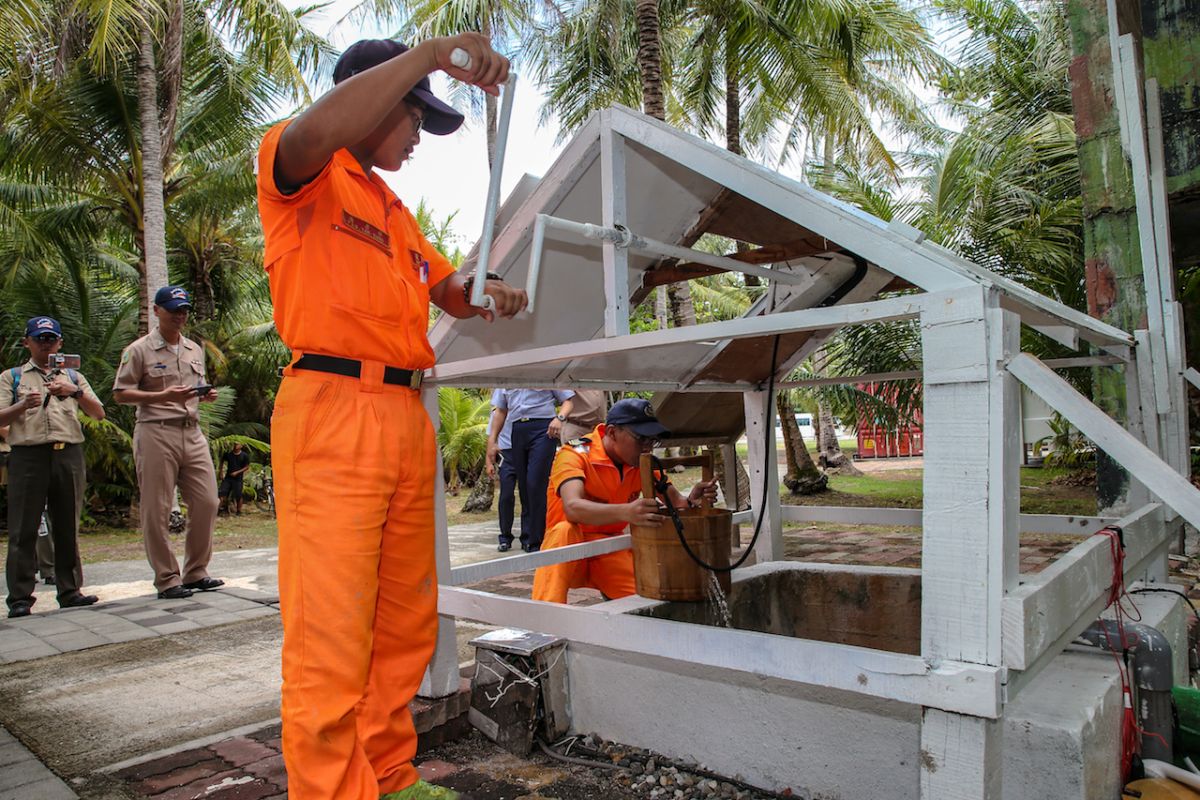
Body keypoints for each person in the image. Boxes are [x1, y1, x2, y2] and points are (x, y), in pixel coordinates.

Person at [255, 35, 525, 800]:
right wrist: (435, 53)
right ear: (370, 96)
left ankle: (389, 775)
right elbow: (313, 134)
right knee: (330, 635)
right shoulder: (300, 168)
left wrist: (491, 290)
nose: (416, 136)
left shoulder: (395, 212)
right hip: (332, 410)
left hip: (405, 414)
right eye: (413, 116)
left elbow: (453, 289)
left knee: (404, 623)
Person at [532, 398, 717, 604]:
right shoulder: (574, 454)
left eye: (652, 440)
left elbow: (677, 503)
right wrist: (627, 512)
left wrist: (692, 501)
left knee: (649, 597)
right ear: (612, 433)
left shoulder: (643, 463)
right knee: (564, 530)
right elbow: (573, 508)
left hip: (608, 549)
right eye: (641, 439)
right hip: (569, 552)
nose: (647, 447)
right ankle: (543, 623)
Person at [113, 286, 225, 601]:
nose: (180, 315)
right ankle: (166, 578)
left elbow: (196, 386)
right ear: (156, 311)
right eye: (173, 309)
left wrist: (206, 393)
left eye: (184, 309)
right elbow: (121, 393)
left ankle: (196, 571)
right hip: (155, 431)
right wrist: (160, 396)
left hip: (191, 430)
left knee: (207, 501)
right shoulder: (139, 350)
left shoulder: (193, 349)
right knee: (157, 508)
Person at [0, 316, 105, 618]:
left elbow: (98, 413)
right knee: (23, 527)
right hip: (27, 455)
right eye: (39, 339)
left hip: (68, 453)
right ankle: (20, 597)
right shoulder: (13, 376)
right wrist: (23, 405)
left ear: (60, 343)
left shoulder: (72, 376)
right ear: (27, 342)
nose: (45, 345)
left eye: (50, 339)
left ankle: (70, 591)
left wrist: (72, 391)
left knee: (67, 525)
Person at [486, 389, 574, 552]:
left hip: (544, 428)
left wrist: (559, 418)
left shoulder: (544, 370)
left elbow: (568, 401)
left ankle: (537, 540)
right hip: (517, 429)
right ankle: (528, 537)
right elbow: (500, 411)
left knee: (535, 484)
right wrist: (492, 442)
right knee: (525, 488)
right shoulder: (506, 377)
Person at [483, 404, 517, 551]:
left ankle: (531, 537)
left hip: (527, 452)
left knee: (529, 494)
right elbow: (491, 438)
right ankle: (505, 537)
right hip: (506, 455)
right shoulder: (497, 412)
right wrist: (489, 462)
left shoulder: (524, 408)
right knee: (506, 497)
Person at [218, 442, 251, 515]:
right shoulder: (229, 454)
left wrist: (237, 472)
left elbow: (247, 467)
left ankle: (239, 511)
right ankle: (221, 508)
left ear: (241, 446)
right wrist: (220, 472)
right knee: (222, 492)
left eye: (237, 444)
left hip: (238, 479)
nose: (235, 446)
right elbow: (222, 460)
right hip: (228, 477)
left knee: (238, 495)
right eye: (235, 444)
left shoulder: (244, 455)